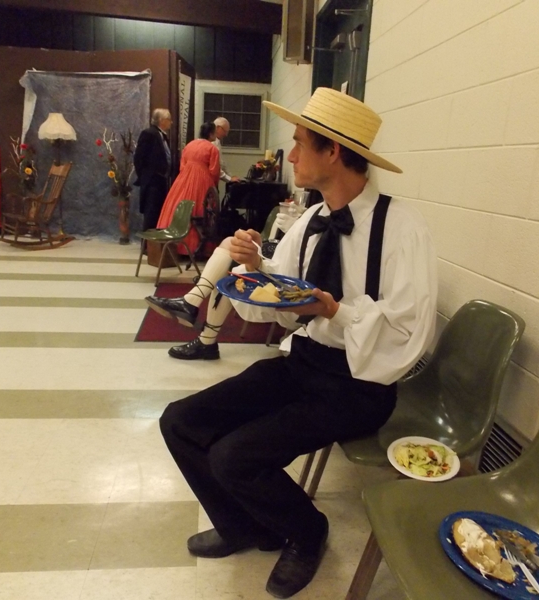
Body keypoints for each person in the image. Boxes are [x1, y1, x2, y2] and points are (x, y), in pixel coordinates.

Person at [159, 88, 438, 599]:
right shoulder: (309, 221)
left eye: (300, 143)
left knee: (234, 456)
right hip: (303, 362)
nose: (290, 156)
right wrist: (253, 266)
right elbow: (274, 301)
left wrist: (335, 311)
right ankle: (244, 526)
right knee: (179, 421)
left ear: (333, 151)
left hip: (360, 385)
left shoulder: (402, 228)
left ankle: (307, 532)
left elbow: (409, 334)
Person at [145, 200, 306, 360]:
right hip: (282, 263)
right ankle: (194, 308)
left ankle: (198, 320)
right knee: (229, 244)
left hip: (297, 293)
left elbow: (298, 271)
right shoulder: (312, 212)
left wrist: (297, 229)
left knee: (227, 270)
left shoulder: (316, 216)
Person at [154, 122, 220, 255]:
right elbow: (214, 171)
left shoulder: (189, 145)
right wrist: (212, 184)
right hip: (203, 179)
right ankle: (196, 247)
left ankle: (173, 245)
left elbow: (182, 166)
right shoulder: (212, 149)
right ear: (211, 134)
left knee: (177, 204)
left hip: (184, 178)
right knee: (200, 209)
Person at [134, 108, 172, 230]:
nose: (171, 122)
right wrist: (145, 176)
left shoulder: (163, 136)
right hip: (152, 180)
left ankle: (155, 240)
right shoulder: (149, 134)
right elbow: (139, 158)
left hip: (161, 180)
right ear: (161, 120)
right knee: (151, 213)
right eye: (169, 119)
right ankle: (147, 241)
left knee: (159, 213)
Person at [213, 117, 240, 184]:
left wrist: (230, 176)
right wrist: (229, 179)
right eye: (225, 131)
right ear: (218, 128)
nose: (226, 135)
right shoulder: (212, 143)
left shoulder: (217, 142)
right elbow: (215, 167)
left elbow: (221, 163)